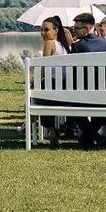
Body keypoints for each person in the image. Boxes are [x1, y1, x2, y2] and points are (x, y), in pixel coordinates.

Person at [69, 12, 106, 146]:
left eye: (77, 28)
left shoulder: (77, 46)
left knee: (72, 103)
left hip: (82, 96)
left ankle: (88, 135)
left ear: (89, 27)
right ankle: (93, 135)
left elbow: (73, 74)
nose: (74, 30)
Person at [37, 15, 72, 145]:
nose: (42, 33)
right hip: (67, 89)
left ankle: (51, 129)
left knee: (39, 91)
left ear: (55, 30)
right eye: (41, 30)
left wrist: (35, 82)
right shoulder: (65, 46)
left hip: (53, 89)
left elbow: (43, 69)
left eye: (46, 30)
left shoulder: (49, 43)